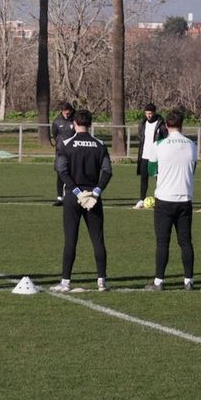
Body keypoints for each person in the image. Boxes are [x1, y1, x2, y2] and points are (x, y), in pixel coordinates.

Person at [51, 109, 112, 293]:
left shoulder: (66, 144)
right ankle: (102, 281)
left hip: (72, 196)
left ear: (75, 124)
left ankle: (65, 282)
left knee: (70, 239)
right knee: (98, 239)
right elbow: (107, 171)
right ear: (90, 124)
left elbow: (62, 171)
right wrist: (96, 192)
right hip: (93, 197)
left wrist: (77, 192)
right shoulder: (100, 145)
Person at [147, 110, 198, 291]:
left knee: (163, 242)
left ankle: (159, 281)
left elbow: (151, 170)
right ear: (182, 125)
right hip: (185, 198)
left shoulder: (159, 144)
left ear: (166, 126)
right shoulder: (192, 145)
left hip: (164, 199)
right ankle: (188, 281)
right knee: (185, 241)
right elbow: (193, 169)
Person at [134, 103, 163, 207]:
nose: (148, 115)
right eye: (147, 113)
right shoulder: (143, 124)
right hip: (144, 156)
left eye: (150, 113)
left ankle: (160, 199)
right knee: (143, 179)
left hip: (156, 157)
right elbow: (141, 138)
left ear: (154, 113)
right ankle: (141, 200)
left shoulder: (161, 124)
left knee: (159, 179)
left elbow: (164, 139)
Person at [50, 102, 76, 206]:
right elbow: (55, 135)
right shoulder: (56, 121)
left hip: (73, 152)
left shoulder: (75, 120)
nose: (67, 115)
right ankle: (60, 197)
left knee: (72, 174)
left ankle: (70, 196)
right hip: (61, 152)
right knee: (60, 174)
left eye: (68, 113)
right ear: (61, 111)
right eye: (65, 113)